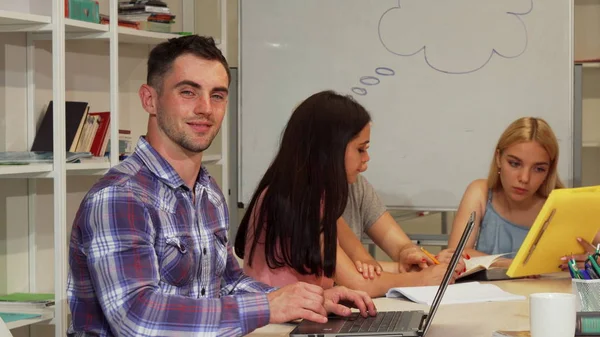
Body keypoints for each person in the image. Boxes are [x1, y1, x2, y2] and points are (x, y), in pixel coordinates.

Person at [66, 35, 376, 337]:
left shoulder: (208, 193)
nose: (205, 108)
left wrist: (306, 301)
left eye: (217, 95)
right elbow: (137, 318)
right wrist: (267, 306)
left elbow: (228, 282)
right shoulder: (120, 197)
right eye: (188, 92)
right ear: (150, 99)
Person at [234, 90, 464, 298]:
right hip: (275, 327)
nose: (367, 158)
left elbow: (362, 263)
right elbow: (358, 284)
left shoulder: (318, 197)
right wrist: (422, 280)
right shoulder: (298, 201)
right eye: (361, 149)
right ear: (329, 149)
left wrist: (410, 268)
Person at [438, 117, 564, 267]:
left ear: (549, 171)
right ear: (498, 158)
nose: (524, 178)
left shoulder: (562, 203)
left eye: (538, 169)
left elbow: (595, 253)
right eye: (515, 164)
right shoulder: (480, 192)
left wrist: (592, 258)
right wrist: (510, 265)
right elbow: (455, 254)